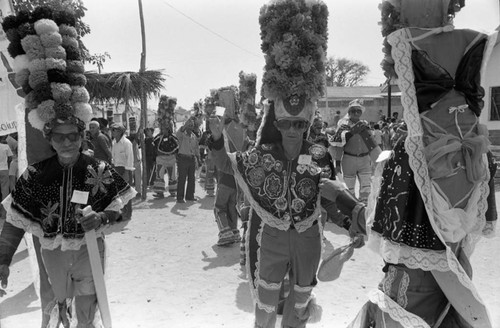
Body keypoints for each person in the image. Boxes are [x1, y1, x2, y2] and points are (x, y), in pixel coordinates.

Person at [347, 1, 500, 327]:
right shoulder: (474, 151)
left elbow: (435, 257)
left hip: (419, 302)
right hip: (438, 298)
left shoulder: (412, 155)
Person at [208, 1, 331, 326]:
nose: (293, 130)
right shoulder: (262, 156)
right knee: (266, 306)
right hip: (268, 237)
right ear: (277, 121)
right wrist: (218, 137)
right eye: (287, 124)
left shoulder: (317, 154)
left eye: (300, 125)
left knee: (299, 306)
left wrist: (353, 215)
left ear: (308, 123)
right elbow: (225, 163)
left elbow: (331, 191)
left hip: (306, 241)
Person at [332, 100, 381, 202]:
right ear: (349, 113)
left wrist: (376, 161)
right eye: (353, 111)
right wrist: (337, 165)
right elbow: (339, 145)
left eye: (358, 111)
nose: (356, 113)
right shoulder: (343, 127)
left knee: (366, 188)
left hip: (365, 159)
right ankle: (351, 211)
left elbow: (371, 144)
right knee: (349, 188)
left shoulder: (365, 125)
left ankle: (364, 211)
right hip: (349, 159)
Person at [111, 123, 135, 220]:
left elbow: (130, 158)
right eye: (112, 130)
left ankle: (128, 214)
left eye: (115, 130)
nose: (112, 132)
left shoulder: (126, 143)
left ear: (120, 131)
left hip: (125, 169)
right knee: (118, 193)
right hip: (116, 169)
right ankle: (121, 213)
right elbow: (113, 157)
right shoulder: (114, 142)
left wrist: (127, 171)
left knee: (126, 193)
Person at [176, 117, 201, 203]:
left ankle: (190, 196)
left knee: (192, 178)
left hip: (191, 159)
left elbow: (196, 149)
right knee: (182, 178)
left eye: (192, 126)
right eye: (189, 125)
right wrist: (184, 126)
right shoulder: (182, 135)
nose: (190, 127)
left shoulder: (194, 136)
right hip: (183, 158)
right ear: (186, 126)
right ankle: (180, 197)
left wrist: (198, 159)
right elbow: (178, 133)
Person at [152, 121, 179, 198]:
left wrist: (176, 158)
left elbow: (177, 149)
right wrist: (155, 158)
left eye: (165, 129)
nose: (163, 130)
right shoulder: (158, 138)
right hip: (161, 159)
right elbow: (154, 148)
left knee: (172, 176)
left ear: (169, 129)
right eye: (162, 129)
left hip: (171, 159)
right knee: (159, 176)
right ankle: (160, 193)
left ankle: (173, 192)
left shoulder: (173, 138)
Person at [0, 136, 13, 220]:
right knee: (5, 192)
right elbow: (10, 158)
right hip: (4, 169)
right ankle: (4, 215)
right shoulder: (5, 146)